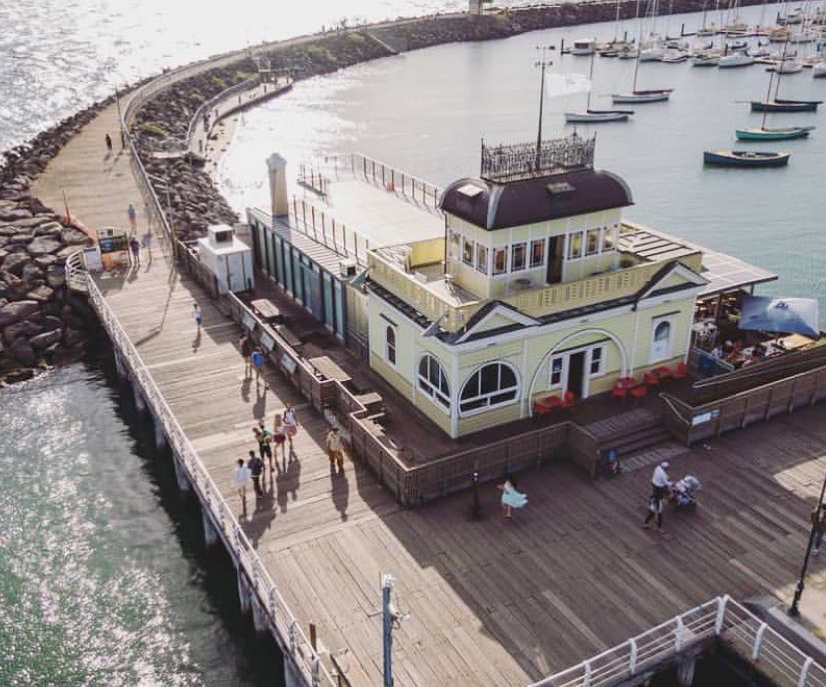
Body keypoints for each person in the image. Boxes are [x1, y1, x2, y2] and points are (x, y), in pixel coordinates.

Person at [643, 461, 671, 533]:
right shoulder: (663, 476)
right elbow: (666, 483)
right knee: (658, 515)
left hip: (654, 489)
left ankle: (646, 523)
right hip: (657, 505)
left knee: (651, 514)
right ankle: (659, 528)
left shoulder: (657, 468)